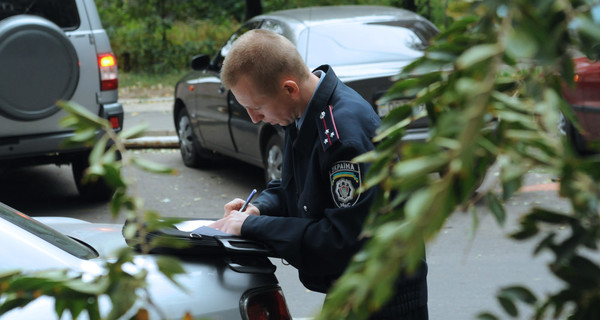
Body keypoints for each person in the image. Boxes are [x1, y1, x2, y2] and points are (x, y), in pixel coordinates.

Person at [209, 29, 428, 319]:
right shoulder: (302, 113)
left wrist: (249, 228)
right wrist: (257, 210)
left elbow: (340, 238)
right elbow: (294, 187)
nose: (254, 118)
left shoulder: (342, 135)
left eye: (257, 107)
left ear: (289, 88)